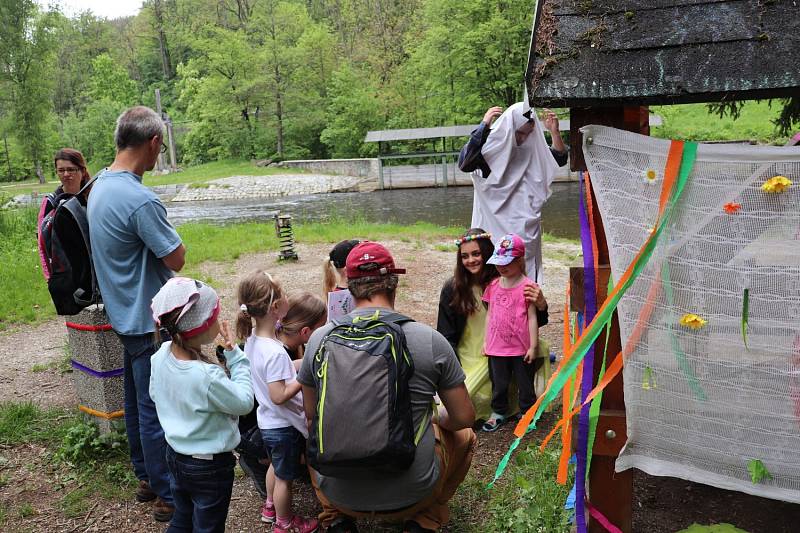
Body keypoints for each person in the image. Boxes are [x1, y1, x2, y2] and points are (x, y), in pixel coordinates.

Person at [298, 241, 477, 533]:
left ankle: (336, 517)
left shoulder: (319, 339)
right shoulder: (428, 340)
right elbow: (464, 417)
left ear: (349, 286)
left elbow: (309, 413)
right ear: (394, 283)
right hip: (412, 492)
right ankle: (425, 518)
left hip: (339, 491)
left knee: (316, 433)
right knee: (465, 436)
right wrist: (434, 417)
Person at [88, 106, 186, 521]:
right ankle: (167, 493)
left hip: (123, 314)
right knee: (156, 408)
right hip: (148, 320)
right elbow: (177, 258)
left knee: (135, 400)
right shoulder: (139, 198)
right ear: (153, 142)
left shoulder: (100, 186)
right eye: (159, 147)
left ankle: (146, 476)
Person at [149, 278, 253, 533]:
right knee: (208, 527)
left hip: (175, 456)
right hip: (209, 467)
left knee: (183, 519)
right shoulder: (206, 376)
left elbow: (155, 395)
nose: (219, 322)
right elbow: (244, 402)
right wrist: (236, 358)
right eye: (216, 315)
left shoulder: (160, 355)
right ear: (202, 325)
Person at [437, 228, 548, 422]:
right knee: (451, 409)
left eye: (476, 253)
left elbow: (533, 320)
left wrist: (541, 305)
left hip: (505, 346)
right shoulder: (453, 288)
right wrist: (453, 368)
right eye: (465, 256)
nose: (470, 260)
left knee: (537, 350)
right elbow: (445, 334)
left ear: (488, 254)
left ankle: (518, 403)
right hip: (471, 353)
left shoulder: (505, 282)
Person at [237, 271, 319, 533]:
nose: (287, 298)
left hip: (267, 422)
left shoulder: (253, 340)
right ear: (275, 307)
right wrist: (304, 375)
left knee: (276, 466)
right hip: (283, 426)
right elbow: (279, 394)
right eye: (283, 294)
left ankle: (269, 506)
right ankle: (284, 523)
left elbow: (269, 376)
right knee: (285, 478)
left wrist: (296, 365)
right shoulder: (274, 351)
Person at [459, 103, 567, 285]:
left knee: (522, 271)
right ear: (509, 127)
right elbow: (465, 162)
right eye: (519, 133)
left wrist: (554, 133)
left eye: (528, 133)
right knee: (492, 273)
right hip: (493, 222)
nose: (523, 138)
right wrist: (484, 125)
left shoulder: (530, 150)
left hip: (524, 225)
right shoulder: (491, 148)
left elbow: (559, 159)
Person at [481, 234, 542, 432]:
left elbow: (532, 317)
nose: (501, 267)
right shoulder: (493, 286)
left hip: (520, 347)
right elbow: (490, 316)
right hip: (497, 347)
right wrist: (486, 342)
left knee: (525, 383)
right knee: (499, 383)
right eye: (498, 262)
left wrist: (533, 346)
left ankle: (527, 412)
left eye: (507, 262)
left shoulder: (528, 287)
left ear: (520, 260)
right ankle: (498, 412)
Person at [37, 148, 91, 279]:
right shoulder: (50, 202)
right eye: (61, 170)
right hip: (65, 273)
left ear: (82, 171)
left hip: (94, 268)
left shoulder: (92, 197)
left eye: (71, 169)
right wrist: (49, 277)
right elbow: (42, 242)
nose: (66, 174)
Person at [277, 291, 327, 360]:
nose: (324, 332)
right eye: (322, 328)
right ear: (305, 332)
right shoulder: (280, 358)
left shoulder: (296, 342)